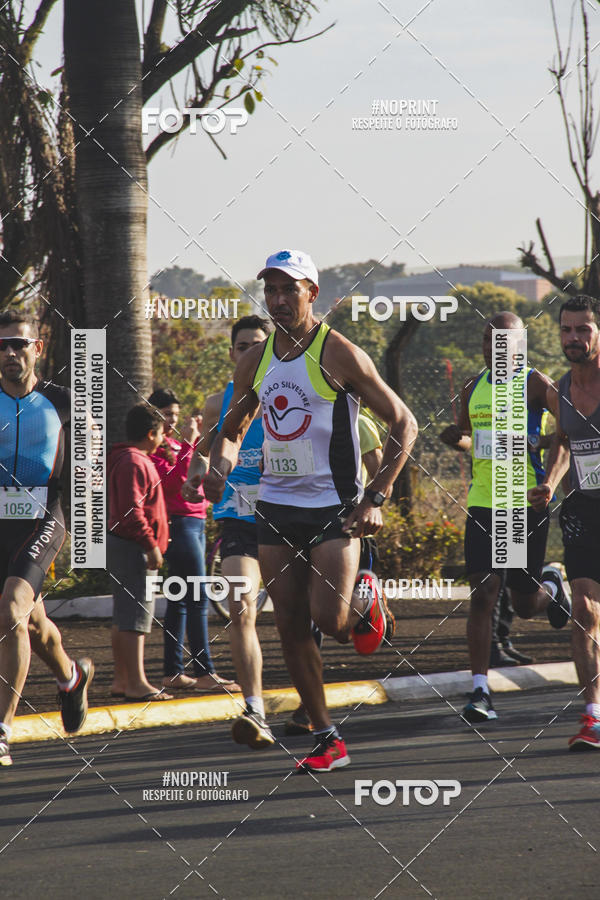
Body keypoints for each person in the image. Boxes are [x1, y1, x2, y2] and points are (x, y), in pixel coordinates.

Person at [186, 249, 418, 772]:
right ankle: (326, 737)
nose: (279, 299)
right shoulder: (257, 360)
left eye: (290, 289)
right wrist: (217, 466)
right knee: (289, 625)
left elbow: (405, 424)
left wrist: (376, 496)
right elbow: (232, 428)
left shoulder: (338, 354)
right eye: (271, 290)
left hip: (335, 507)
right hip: (276, 506)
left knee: (329, 622)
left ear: (313, 293)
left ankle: (365, 603)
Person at [439, 311, 571, 724]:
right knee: (483, 592)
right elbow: (471, 439)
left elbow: (567, 433)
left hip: (523, 502)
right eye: (488, 339)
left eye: (504, 341)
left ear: (520, 346)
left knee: (525, 602)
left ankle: (550, 583)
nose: (494, 347)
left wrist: (548, 481)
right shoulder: (471, 386)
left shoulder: (535, 384)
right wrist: (455, 437)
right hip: (483, 501)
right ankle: (480, 690)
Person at [0, 310, 93, 767]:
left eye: (19, 344)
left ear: (37, 348)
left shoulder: (65, 402)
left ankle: (1, 732)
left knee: (12, 607)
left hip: (43, 515)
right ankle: (71, 676)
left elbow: (86, 471)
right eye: (2, 346)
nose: (10, 353)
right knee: (33, 628)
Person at [193, 315, 273, 747]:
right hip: (237, 516)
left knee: (311, 617)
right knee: (241, 606)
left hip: (288, 516)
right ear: (232, 353)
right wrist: (195, 475)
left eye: (258, 346)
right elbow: (203, 450)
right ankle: (255, 708)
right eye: (243, 347)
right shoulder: (217, 401)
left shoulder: (287, 395)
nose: (250, 353)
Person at [284, 410, 384, 736]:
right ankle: (307, 706)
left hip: (344, 524)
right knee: (306, 617)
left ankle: (366, 597)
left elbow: (381, 470)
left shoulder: (357, 419)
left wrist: (371, 505)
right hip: (297, 521)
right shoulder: (293, 416)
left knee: (337, 628)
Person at [529, 295, 600, 749]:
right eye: (566, 330)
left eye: (584, 330)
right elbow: (562, 441)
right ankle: (593, 714)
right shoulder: (560, 388)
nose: (573, 338)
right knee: (585, 611)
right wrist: (551, 483)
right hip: (582, 509)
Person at [148, 388, 240, 693]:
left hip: (196, 521)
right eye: (166, 414)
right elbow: (174, 483)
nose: (172, 419)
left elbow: (199, 468)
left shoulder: (176, 443)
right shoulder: (155, 449)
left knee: (179, 598)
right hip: (179, 523)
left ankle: (173, 671)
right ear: (153, 415)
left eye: (175, 413)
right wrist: (190, 443)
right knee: (197, 595)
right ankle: (205, 672)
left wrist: (192, 443)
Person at [107, 403, 173, 702]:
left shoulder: (122, 457)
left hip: (121, 544)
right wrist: (150, 546)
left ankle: (122, 680)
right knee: (136, 616)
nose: (162, 439)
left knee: (123, 615)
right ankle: (137, 682)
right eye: (160, 433)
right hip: (133, 547)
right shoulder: (135, 462)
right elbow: (133, 512)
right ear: (150, 434)